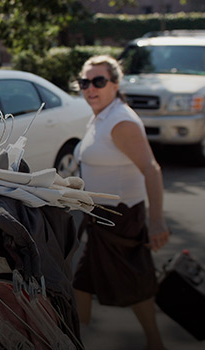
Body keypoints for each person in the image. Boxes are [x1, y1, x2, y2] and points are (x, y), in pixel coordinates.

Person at [73, 55, 170, 350]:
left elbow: (151, 169)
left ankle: (155, 343)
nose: (91, 88)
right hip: (101, 217)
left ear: (115, 84)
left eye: (99, 82)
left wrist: (156, 221)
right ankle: (79, 339)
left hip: (120, 218)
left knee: (135, 287)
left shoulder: (121, 121)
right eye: (85, 82)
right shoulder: (101, 115)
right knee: (81, 282)